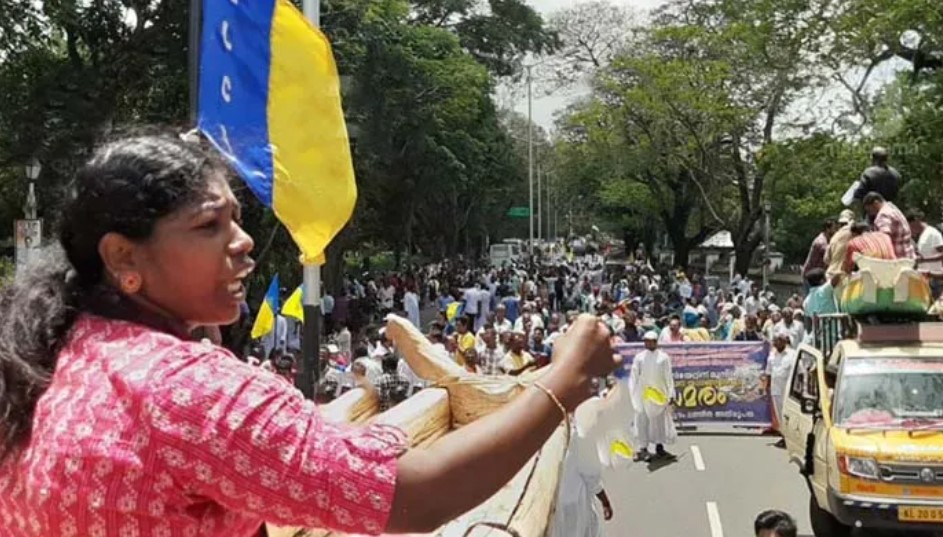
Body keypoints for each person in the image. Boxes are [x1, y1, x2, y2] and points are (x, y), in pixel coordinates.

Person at [0, 133, 620, 536]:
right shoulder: (188, 391)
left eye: (237, 219)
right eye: (208, 226)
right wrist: (564, 380)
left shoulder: (54, 352)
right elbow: (409, 498)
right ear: (122, 257)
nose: (243, 243)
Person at [629, 331, 677, 462]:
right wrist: (632, 395)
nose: (648, 343)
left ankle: (659, 448)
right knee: (642, 421)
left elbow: (668, 376)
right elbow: (633, 377)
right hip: (642, 395)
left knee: (659, 422)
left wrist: (671, 393)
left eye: (651, 341)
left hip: (658, 395)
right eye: (646, 341)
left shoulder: (664, 357)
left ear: (656, 342)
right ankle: (643, 449)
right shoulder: (639, 357)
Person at [765, 329, 797, 447]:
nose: (775, 343)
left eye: (778, 340)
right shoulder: (772, 355)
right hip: (776, 390)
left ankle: (790, 439)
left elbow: (798, 372)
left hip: (788, 391)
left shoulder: (792, 354)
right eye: (774, 341)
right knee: (779, 415)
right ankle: (784, 437)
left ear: (784, 341)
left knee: (788, 415)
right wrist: (767, 386)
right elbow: (769, 372)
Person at [862, 191, 915, 259]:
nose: (870, 213)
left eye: (870, 210)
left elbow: (884, 239)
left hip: (898, 261)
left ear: (876, 203)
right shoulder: (893, 209)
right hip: (909, 256)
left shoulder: (883, 215)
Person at [908, 209, 943, 299]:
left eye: (911, 226)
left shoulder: (932, 234)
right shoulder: (923, 235)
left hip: (935, 278)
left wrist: (924, 260)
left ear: (916, 220)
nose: (911, 229)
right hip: (926, 279)